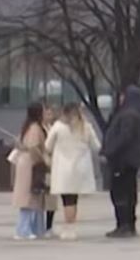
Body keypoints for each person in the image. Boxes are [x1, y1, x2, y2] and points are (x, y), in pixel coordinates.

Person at [45, 103, 102, 241]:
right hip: (80, 167)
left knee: (67, 199)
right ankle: (71, 226)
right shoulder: (86, 127)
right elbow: (96, 146)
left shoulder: (58, 127)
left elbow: (47, 146)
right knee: (73, 199)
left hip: (63, 167)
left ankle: (68, 228)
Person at [103, 85, 140, 238]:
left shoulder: (128, 115)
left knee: (120, 193)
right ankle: (129, 224)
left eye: (123, 96)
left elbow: (124, 137)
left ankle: (123, 224)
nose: (120, 99)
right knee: (129, 192)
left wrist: (109, 151)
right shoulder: (138, 115)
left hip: (122, 161)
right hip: (131, 161)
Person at [10, 102, 49, 241]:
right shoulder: (34, 128)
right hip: (30, 164)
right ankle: (23, 230)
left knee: (33, 197)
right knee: (28, 197)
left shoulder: (30, 126)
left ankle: (33, 228)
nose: (46, 113)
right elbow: (33, 147)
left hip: (27, 162)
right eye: (44, 111)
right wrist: (43, 159)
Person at [41, 103, 58, 235]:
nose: (49, 116)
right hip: (42, 164)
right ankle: (40, 225)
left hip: (53, 165)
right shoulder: (38, 129)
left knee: (51, 198)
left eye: (51, 113)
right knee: (41, 196)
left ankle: (49, 226)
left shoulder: (54, 128)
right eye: (47, 113)